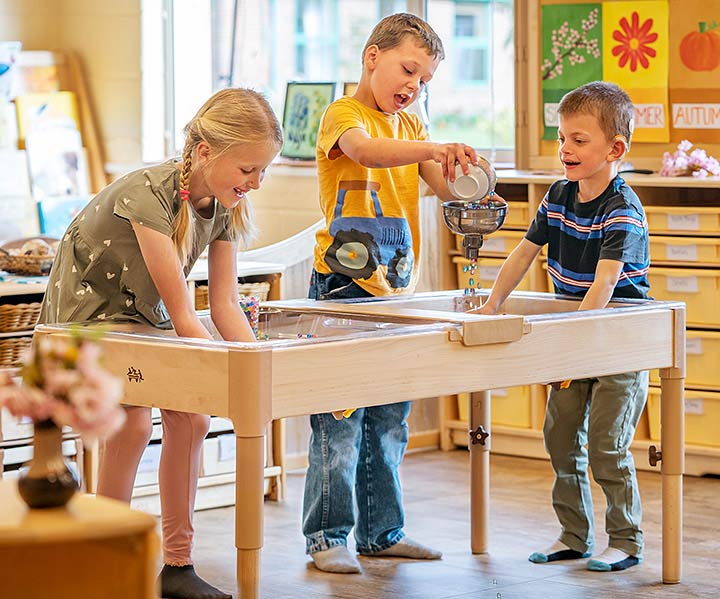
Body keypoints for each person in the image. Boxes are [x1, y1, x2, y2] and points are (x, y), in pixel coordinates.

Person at [38, 88, 283, 599]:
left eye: (263, 171)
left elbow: (225, 308)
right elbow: (183, 314)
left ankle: (177, 566)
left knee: (192, 416)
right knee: (131, 420)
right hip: (80, 326)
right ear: (203, 152)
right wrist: (223, 372)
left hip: (140, 327)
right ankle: (103, 560)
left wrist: (257, 363)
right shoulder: (146, 195)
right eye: (248, 170)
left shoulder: (223, 209)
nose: (255, 183)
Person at [303, 12, 480, 574]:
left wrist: (470, 172)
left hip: (396, 290)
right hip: (343, 284)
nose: (414, 86)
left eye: (425, 81)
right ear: (372, 56)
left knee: (388, 417)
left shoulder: (412, 129)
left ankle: (381, 532)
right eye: (408, 69)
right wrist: (431, 148)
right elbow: (365, 153)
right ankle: (327, 535)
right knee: (340, 416)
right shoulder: (344, 115)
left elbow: (446, 191)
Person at [472, 81, 650, 572]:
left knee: (607, 446)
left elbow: (603, 288)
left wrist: (570, 340)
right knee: (560, 436)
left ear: (615, 149)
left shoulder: (622, 210)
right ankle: (574, 534)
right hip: (574, 336)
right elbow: (523, 254)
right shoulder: (557, 195)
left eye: (578, 140)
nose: (565, 149)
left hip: (615, 340)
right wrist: (492, 304)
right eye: (561, 138)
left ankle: (627, 541)